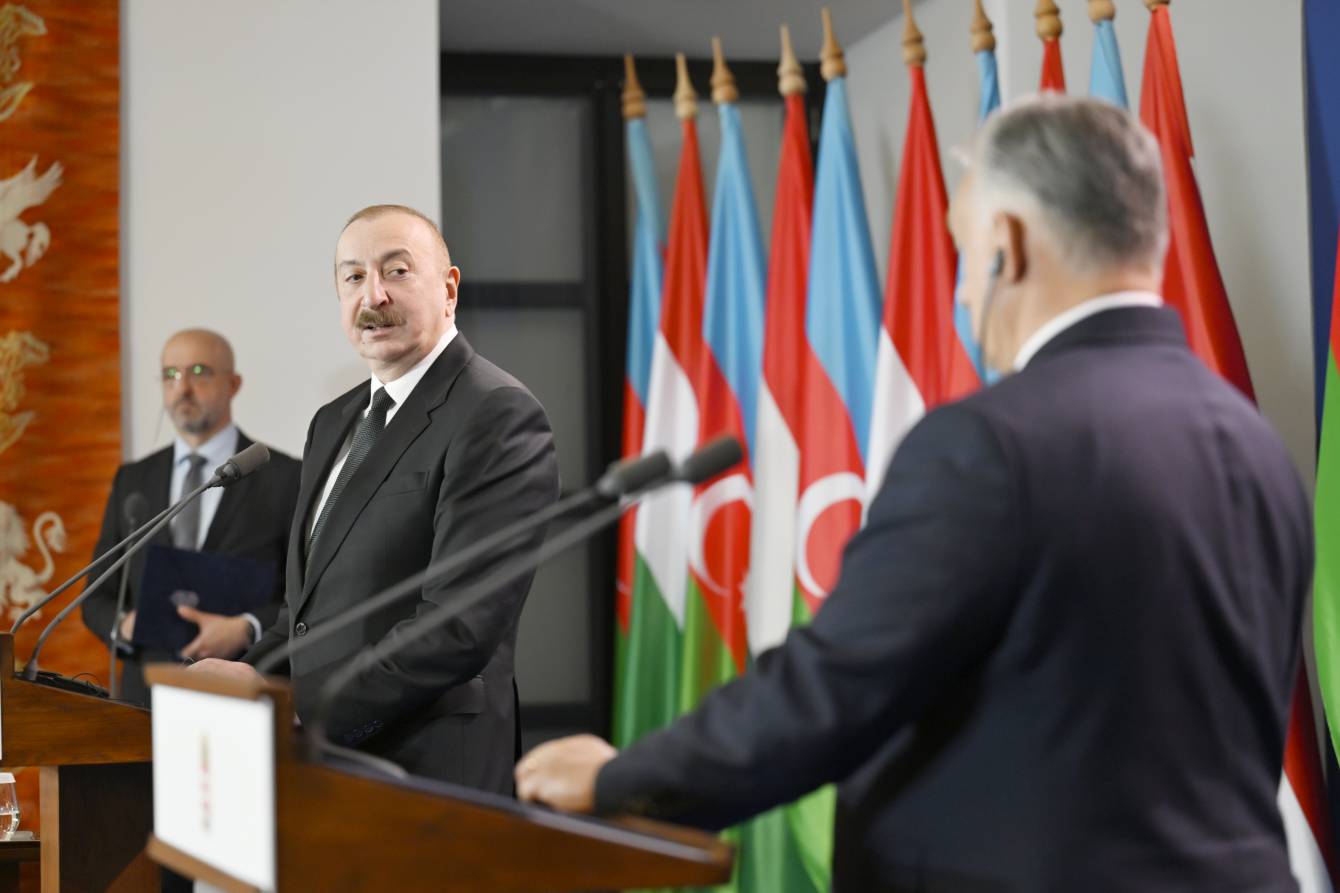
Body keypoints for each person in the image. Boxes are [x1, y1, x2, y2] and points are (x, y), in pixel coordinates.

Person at [516, 96, 1311, 892]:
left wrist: (620, 777)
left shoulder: (990, 445)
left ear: (1008, 245)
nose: (962, 293)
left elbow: (834, 687)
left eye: (963, 251)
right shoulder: (1255, 444)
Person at [191, 204, 559, 795]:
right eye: (354, 277)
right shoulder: (333, 421)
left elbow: (458, 626)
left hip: (427, 772)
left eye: (397, 271)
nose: (374, 295)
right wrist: (239, 681)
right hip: (320, 767)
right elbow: (306, 618)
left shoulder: (495, 413)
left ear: (449, 289)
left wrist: (295, 702)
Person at [81, 329, 301, 706]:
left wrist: (247, 628)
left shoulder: (285, 477)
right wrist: (124, 625)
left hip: (241, 693)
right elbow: (97, 596)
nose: (182, 388)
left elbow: (306, 594)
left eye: (199, 372)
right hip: (143, 699)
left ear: (233, 384)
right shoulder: (134, 479)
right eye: (170, 375)